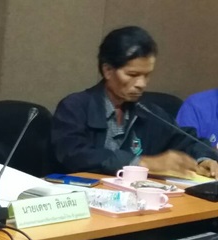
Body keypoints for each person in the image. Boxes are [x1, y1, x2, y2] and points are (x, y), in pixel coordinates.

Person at [51, 26, 218, 177]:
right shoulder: (75, 107)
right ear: (108, 70)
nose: (141, 84)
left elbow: (186, 140)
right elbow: (75, 154)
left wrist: (205, 158)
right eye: (132, 75)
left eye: (147, 75)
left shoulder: (148, 111)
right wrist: (144, 163)